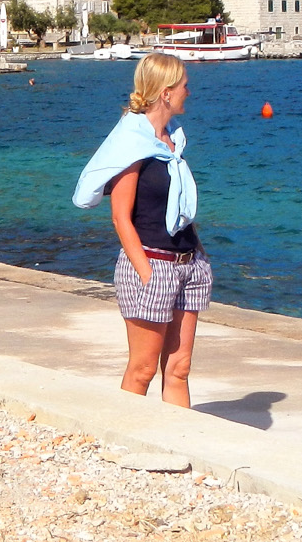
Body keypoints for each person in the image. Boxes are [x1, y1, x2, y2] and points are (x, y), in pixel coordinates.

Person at [72, 52, 208, 406]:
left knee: (179, 367)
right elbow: (120, 216)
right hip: (151, 263)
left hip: (188, 264)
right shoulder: (132, 144)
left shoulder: (172, 141)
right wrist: (146, 273)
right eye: (183, 86)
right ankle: (125, 443)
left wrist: (198, 256)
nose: (188, 92)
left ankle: (180, 444)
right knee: (144, 368)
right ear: (165, 93)